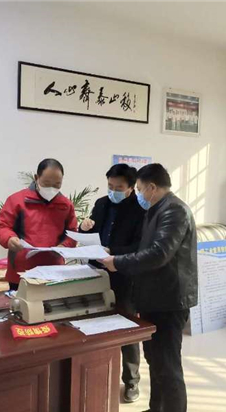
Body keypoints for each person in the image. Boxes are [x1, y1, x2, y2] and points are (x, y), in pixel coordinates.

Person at [101, 163, 198, 412]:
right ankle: (157, 408)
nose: (139, 195)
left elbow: (158, 254)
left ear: (152, 187)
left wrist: (117, 262)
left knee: (168, 365)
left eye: (140, 189)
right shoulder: (156, 209)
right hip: (153, 297)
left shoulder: (174, 211)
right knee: (155, 360)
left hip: (169, 300)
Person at [79, 164, 145, 403]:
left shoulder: (140, 210)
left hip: (124, 276)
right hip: (96, 273)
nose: (113, 191)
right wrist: (83, 227)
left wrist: (112, 251)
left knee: (127, 328)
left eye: (119, 188)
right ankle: (95, 375)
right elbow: (89, 236)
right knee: (94, 324)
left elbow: (139, 246)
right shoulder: (101, 204)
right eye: (110, 186)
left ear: (130, 188)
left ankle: (131, 381)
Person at [0, 159, 78, 290]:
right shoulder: (17, 200)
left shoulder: (65, 205)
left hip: (54, 271)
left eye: (57, 184)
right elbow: (3, 226)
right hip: (21, 272)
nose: (51, 188)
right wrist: (9, 239)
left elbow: (72, 233)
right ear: (36, 178)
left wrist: (64, 246)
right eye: (46, 183)